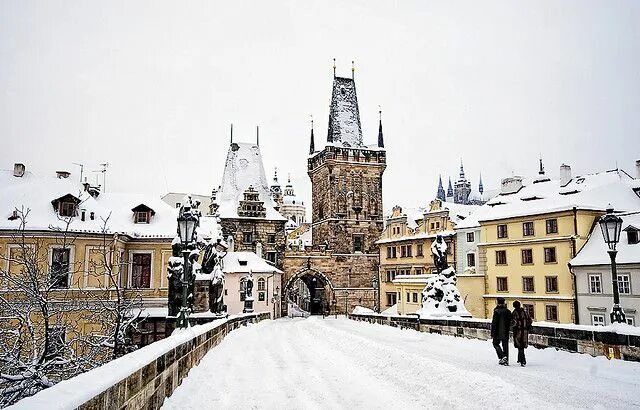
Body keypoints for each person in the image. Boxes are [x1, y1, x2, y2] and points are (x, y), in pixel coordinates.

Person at [511, 300, 532, 367]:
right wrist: (527, 326)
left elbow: (513, 323)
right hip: (525, 331)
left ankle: (523, 360)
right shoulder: (525, 312)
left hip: (518, 331)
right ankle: (519, 359)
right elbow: (530, 320)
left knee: (520, 345)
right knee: (522, 345)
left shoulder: (514, 313)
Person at [491, 297, 512, 366]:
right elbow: (512, 321)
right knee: (505, 346)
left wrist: (492, 333)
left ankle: (502, 357)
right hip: (506, 331)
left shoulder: (496, 311)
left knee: (495, 344)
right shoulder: (508, 311)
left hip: (497, 332)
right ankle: (506, 361)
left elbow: (494, 323)